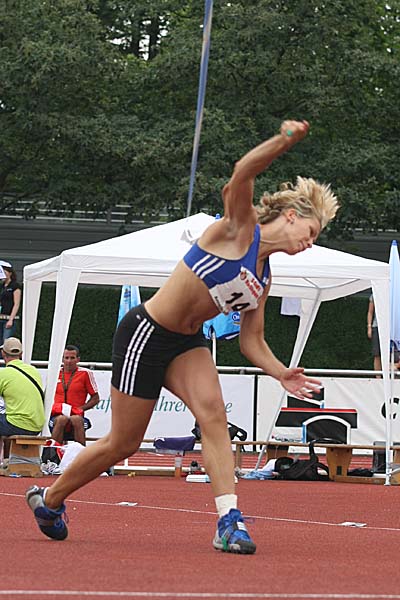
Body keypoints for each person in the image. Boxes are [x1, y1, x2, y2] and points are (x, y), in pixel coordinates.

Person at [26, 119, 339, 553]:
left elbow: (251, 341)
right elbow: (242, 173)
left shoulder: (264, 278)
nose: (311, 242)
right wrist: (283, 141)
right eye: (312, 232)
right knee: (123, 443)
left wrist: (281, 372)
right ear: (291, 216)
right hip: (146, 333)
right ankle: (49, 500)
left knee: (213, 416)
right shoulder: (238, 229)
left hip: (187, 344)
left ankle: (228, 520)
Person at [0, 338, 45, 456]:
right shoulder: (33, 370)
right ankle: (7, 459)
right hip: (37, 426)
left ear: (3, 353)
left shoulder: (3, 374)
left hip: (18, 424)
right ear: (21, 354)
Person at [50, 345, 99, 445]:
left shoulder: (85, 373)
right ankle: (53, 453)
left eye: (72, 358)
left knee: (76, 419)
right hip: (57, 416)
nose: (69, 361)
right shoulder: (54, 373)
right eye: (66, 358)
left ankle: (80, 453)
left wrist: (80, 409)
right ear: (62, 359)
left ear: (78, 359)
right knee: (61, 419)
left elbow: (95, 398)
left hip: (77, 416)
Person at [0, 262, 22, 347]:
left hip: (9, 318)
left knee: (6, 342)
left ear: (10, 273)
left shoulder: (15, 286)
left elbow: (16, 304)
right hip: (1, 317)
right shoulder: (2, 286)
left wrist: (11, 319)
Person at [367, 294, 381, 375]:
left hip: (392, 329)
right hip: (377, 326)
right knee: (377, 354)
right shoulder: (375, 294)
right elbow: (370, 312)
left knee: (392, 354)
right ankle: (378, 378)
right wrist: (369, 327)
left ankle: (390, 377)